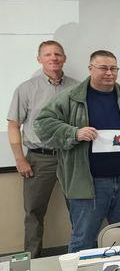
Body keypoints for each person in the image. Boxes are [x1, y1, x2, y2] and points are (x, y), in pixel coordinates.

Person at [34, 50, 120, 252]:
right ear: (90, 68)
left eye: (113, 68)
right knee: (83, 239)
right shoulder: (70, 97)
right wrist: (74, 133)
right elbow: (42, 124)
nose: (109, 73)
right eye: (103, 68)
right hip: (87, 183)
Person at [6, 40, 78, 257]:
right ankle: (32, 261)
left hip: (71, 157)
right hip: (39, 159)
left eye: (58, 54)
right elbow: (13, 125)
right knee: (34, 213)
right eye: (47, 54)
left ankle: (81, 255)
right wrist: (20, 159)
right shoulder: (26, 89)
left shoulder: (77, 87)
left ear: (64, 58)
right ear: (39, 59)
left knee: (79, 209)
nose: (53, 58)